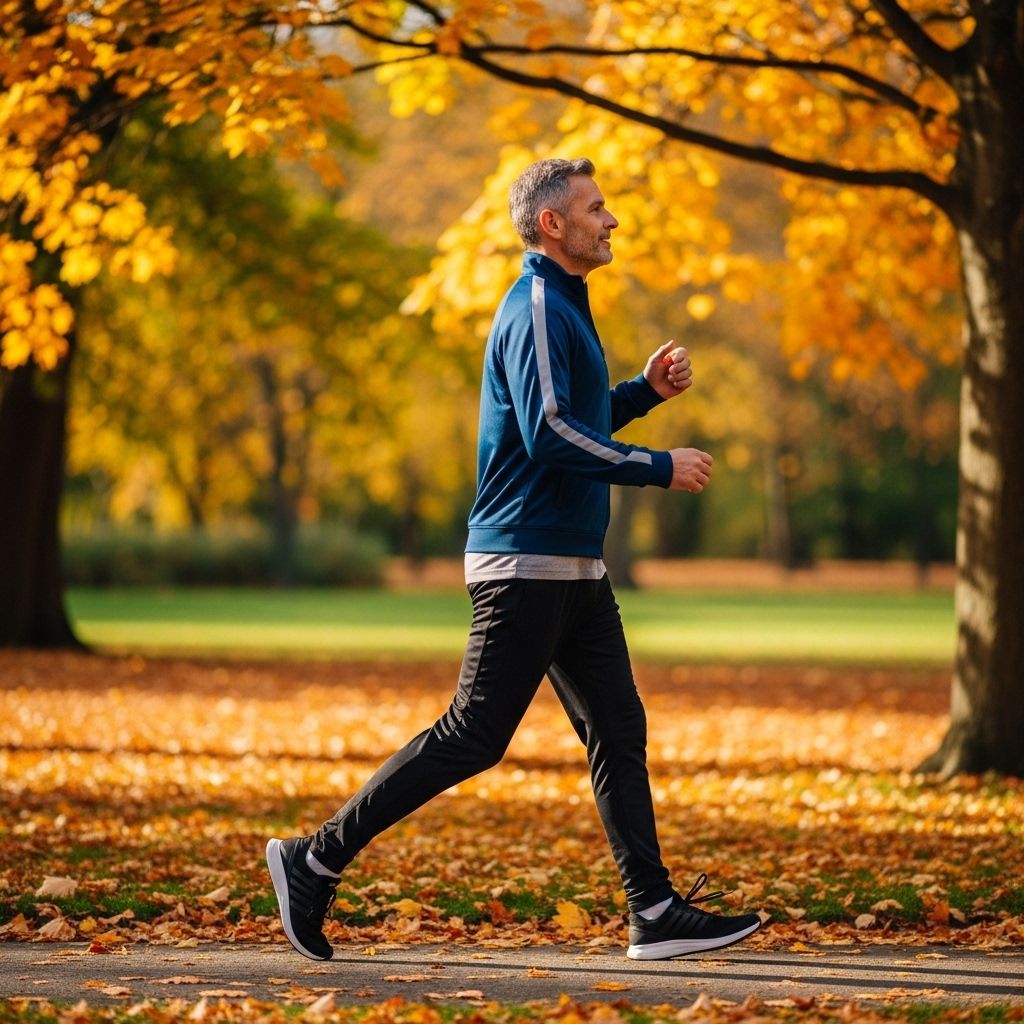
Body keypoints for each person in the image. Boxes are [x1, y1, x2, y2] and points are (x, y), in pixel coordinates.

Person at [267, 157, 762, 962]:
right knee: (474, 735)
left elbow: (575, 415)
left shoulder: (566, 305)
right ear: (551, 224)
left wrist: (643, 392)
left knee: (617, 728)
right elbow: (548, 435)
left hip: (574, 566)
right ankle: (313, 859)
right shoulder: (533, 302)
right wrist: (656, 466)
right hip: (525, 561)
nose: (611, 220)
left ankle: (653, 910)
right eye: (596, 208)